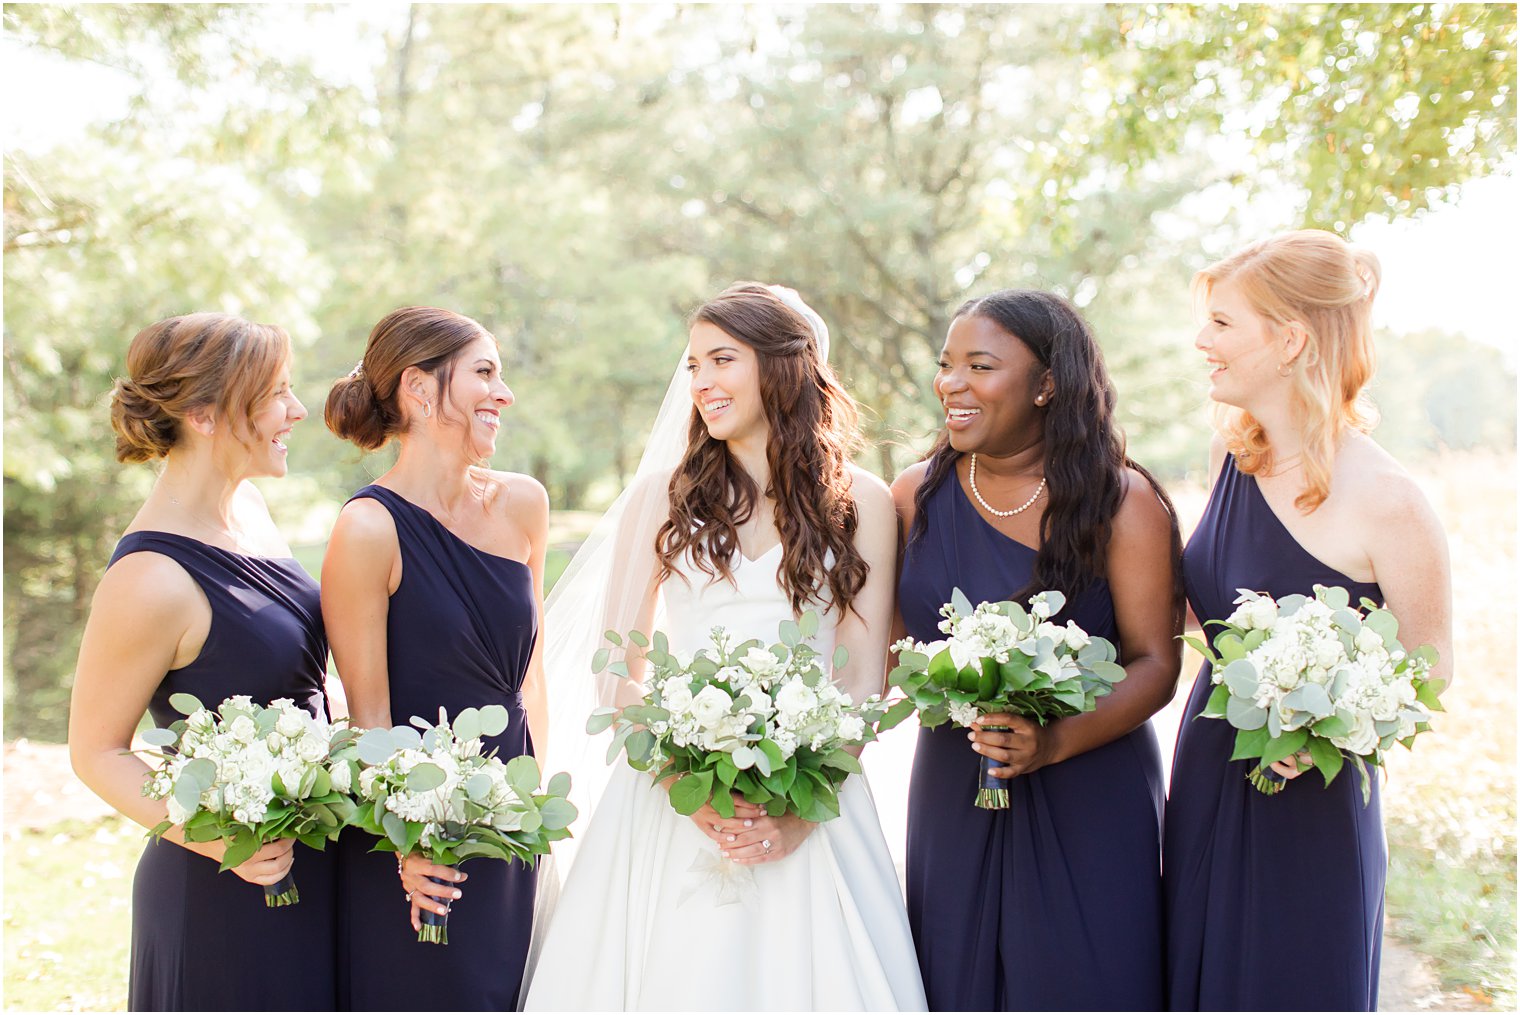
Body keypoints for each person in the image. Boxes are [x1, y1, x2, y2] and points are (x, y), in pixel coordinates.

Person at [522, 283, 926, 1011]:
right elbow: (618, 667)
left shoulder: (861, 500)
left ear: (785, 366)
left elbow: (865, 672)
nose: (701, 381)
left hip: (816, 789)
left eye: (721, 359)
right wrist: (686, 786)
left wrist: (805, 803)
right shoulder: (661, 496)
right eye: (692, 364)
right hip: (672, 798)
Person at [1164, 229, 1454, 1010]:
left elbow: (1430, 664)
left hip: (1309, 805)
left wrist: (1321, 730)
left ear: (1289, 340)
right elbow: (1203, 612)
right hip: (1207, 772)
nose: (1202, 341)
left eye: (1223, 323)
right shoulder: (1238, 462)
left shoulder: (1388, 499)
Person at [891, 288, 1182, 1010]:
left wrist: (1052, 741)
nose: (952, 384)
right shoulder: (911, 498)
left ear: (1048, 383)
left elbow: (1156, 661)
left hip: (1089, 789)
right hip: (955, 787)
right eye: (947, 364)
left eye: (980, 365)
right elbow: (890, 642)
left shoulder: (1123, 501)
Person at [69, 313, 337, 1010]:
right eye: (276, 392)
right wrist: (224, 840)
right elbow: (95, 749)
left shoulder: (248, 507)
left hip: (314, 864)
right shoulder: (150, 577)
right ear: (203, 414)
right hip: (220, 892)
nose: (298, 409)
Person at [322, 305, 549, 1011]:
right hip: (417, 831)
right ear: (420, 390)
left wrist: (539, 802)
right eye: (484, 372)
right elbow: (368, 717)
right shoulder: (367, 528)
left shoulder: (523, 505)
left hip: (513, 810)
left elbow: (531, 677)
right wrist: (409, 840)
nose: (504, 394)